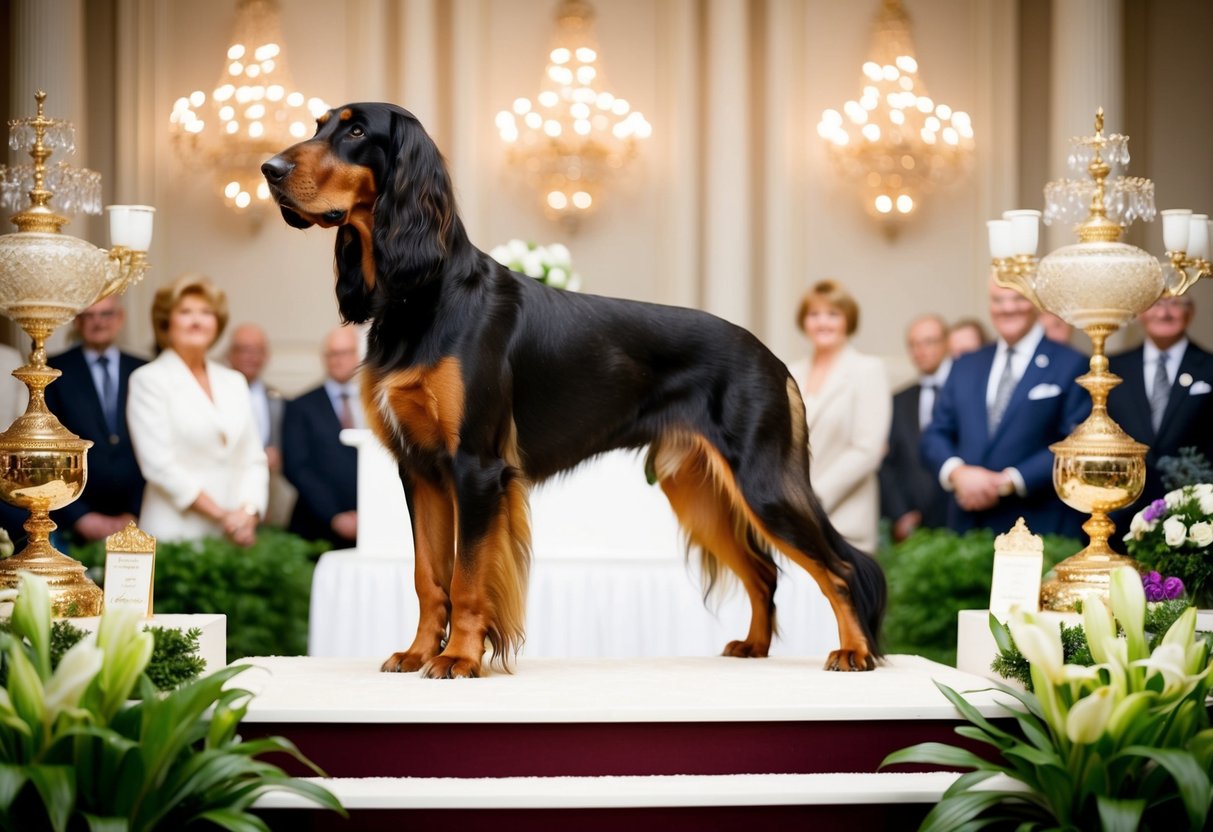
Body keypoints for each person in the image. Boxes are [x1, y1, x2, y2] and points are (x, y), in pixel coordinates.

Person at [922, 280, 1090, 537]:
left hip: (1038, 525)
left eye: (1018, 299)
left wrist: (1009, 481)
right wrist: (957, 473)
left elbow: (1079, 442)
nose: (1007, 308)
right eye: (998, 300)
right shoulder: (967, 364)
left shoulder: (1070, 363)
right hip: (967, 528)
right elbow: (936, 433)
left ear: (1036, 303)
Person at [126, 274, 268, 545]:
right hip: (176, 533)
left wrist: (248, 512)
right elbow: (159, 466)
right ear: (166, 322)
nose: (197, 320)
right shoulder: (149, 380)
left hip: (235, 536)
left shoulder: (234, 381)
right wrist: (223, 516)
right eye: (185, 312)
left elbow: (253, 458)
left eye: (206, 312)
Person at [788, 280, 891, 552]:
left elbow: (866, 450)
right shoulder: (790, 373)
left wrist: (813, 498)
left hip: (844, 524)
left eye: (833, 314)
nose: (823, 323)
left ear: (848, 320)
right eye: (814, 314)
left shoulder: (868, 370)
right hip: (790, 519)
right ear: (804, 321)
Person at [44, 296, 147, 542]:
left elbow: (156, 446)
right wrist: (79, 516)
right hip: (73, 521)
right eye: (89, 315)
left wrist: (136, 511)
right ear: (76, 322)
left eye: (106, 314)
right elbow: (48, 451)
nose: (98, 322)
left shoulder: (144, 371)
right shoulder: (52, 372)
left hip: (138, 516)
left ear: (120, 318)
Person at [1108, 295, 1213, 517]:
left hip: (1193, 510)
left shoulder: (1208, 367)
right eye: (1155, 304)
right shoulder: (1112, 369)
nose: (1164, 313)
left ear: (1190, 312)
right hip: (1121, 509)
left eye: (1175, 304)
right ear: (1140, 314)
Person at [282, 325, 362, 547]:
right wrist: (335, 516)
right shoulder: (300, 406)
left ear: (358, 354)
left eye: (345, 353)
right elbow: (296, 467)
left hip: (372, 525)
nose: (338, 360)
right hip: (317, 526)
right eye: (332, 354)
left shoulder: (376, 404)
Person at [878, 314, 952, 542]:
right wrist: (900, 514)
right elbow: (888, 463)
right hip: (913, 525)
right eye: (914, 344)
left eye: (929, 342)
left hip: (959, 516)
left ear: (947, 343)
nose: (920, 350)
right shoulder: (898, 400)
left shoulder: (965, 392)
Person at [226, 323, 292, 527]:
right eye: (244, 350)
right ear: (230, 354)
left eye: (258, 351)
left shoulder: (276, 397)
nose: (251, 357)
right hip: (226, 489)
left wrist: (279, 453)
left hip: (268, 490)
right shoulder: (216, 393)